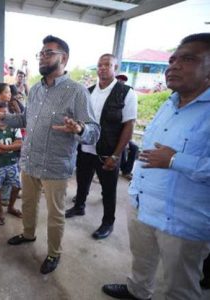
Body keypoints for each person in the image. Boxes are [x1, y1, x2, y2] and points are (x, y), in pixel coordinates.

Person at [102, 33, 210, 300]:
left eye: (188, 59)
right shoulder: (168, 104)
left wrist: (175, 160)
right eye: (172, 59)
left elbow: (167, 157)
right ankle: (137, 291)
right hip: (143, 206)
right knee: (142, 262)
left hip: (181, 222)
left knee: (178, 286)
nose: (173, 65)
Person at [0, 35, 99, 275]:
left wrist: (79, 129)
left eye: (49, 53)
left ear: (63, 58)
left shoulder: (77, 92)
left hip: (56, 165)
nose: (43, 57)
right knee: (27, 203)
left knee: (55, 214)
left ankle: (54, 253)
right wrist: (3, 118)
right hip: (29, 160)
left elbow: (94, 132)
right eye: (41, 53)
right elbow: (26, 119)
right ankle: (28, 234)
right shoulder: (36, 89)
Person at [65, 53, 138, 239]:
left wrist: (116, 155)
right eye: (99, 65)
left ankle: (108, 223)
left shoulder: (126, 93)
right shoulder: (87, 92)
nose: (103, 68)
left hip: (108, 150)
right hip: (86, 147)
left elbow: (129, 125)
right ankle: (79, 206)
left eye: (108, 64)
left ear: (116, 68)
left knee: (108, 189)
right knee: (82, 180)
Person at [0, 102, 22, 226]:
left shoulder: (14, 128)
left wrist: (2, 146)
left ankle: (11, 207)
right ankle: (0, 210)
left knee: (17, 186)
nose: (1, 117)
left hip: (12, 163)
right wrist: (11, 147)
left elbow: (20, 144)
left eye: (4, 114)